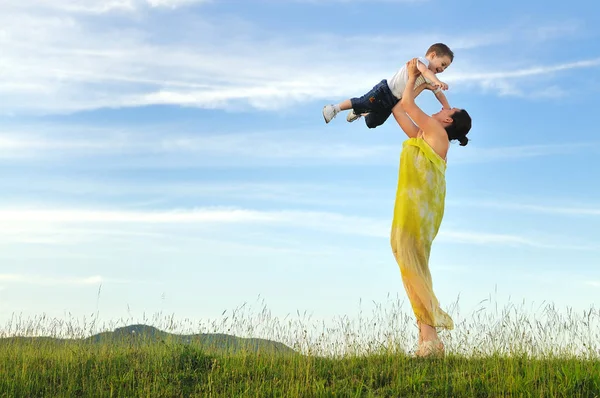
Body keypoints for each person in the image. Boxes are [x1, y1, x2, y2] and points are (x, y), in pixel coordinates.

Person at [389, 58, 471, 357]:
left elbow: (409, 105)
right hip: (408, 211)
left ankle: (430, 340)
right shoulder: (424, 136)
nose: (440, 110)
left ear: (448, 121)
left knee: (413, 268)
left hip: (417, 213)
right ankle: (428, 339)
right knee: (412, 267)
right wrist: (417, 82)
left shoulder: (437, 135)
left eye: (445, 110)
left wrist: (413, 77)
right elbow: (399, 108)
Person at [322, 43, 453, 129]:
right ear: (433, 55)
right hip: (385, 91)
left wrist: (447, 108)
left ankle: (360, 112)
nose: (442, 69)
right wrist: (437, 81)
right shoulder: (420, 62)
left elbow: (439, 93)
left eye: (445, 68)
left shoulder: (430, 79)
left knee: (374, 122)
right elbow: (424, 71)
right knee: (363, 101)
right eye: (442, 64)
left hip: (394, 100)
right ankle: (334, 108)